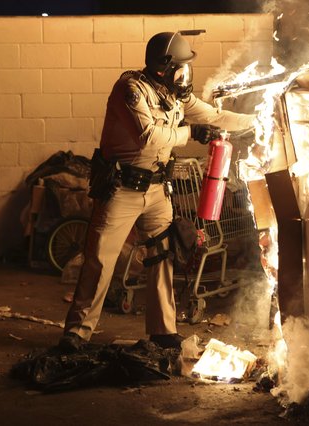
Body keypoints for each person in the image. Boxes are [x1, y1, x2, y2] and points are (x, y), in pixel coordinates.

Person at [59, 31, 256, 352]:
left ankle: (163, 330)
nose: (186, 74)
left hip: (156, 190)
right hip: (121, 190)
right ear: (164, 67)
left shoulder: (174, 95)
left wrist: (259, 119)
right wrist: (190, 131)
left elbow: (216, 116)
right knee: (99, 260)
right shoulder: (131, 90)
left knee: (162, 258)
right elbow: (149, 136)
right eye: (182, 67)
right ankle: (77, 332)